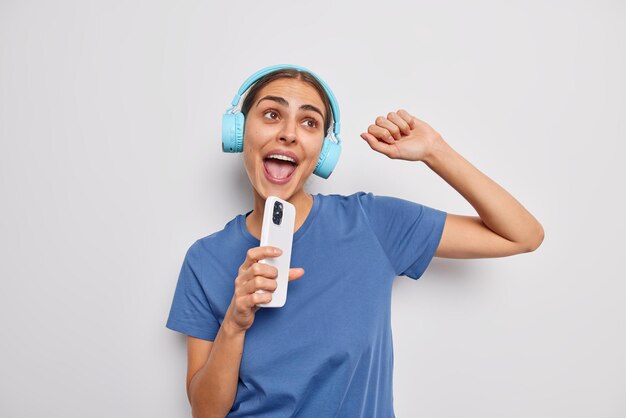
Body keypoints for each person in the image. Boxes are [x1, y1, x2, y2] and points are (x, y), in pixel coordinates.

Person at [165, 64, 544, 417]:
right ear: (238, 132)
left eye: (309, 122)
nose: (289, 133)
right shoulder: (205, 259)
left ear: (323, 153)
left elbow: (522, 235)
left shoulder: (371, 223)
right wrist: (234, 322)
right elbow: (205, 411)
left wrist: (435, 151)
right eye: (271, 114)